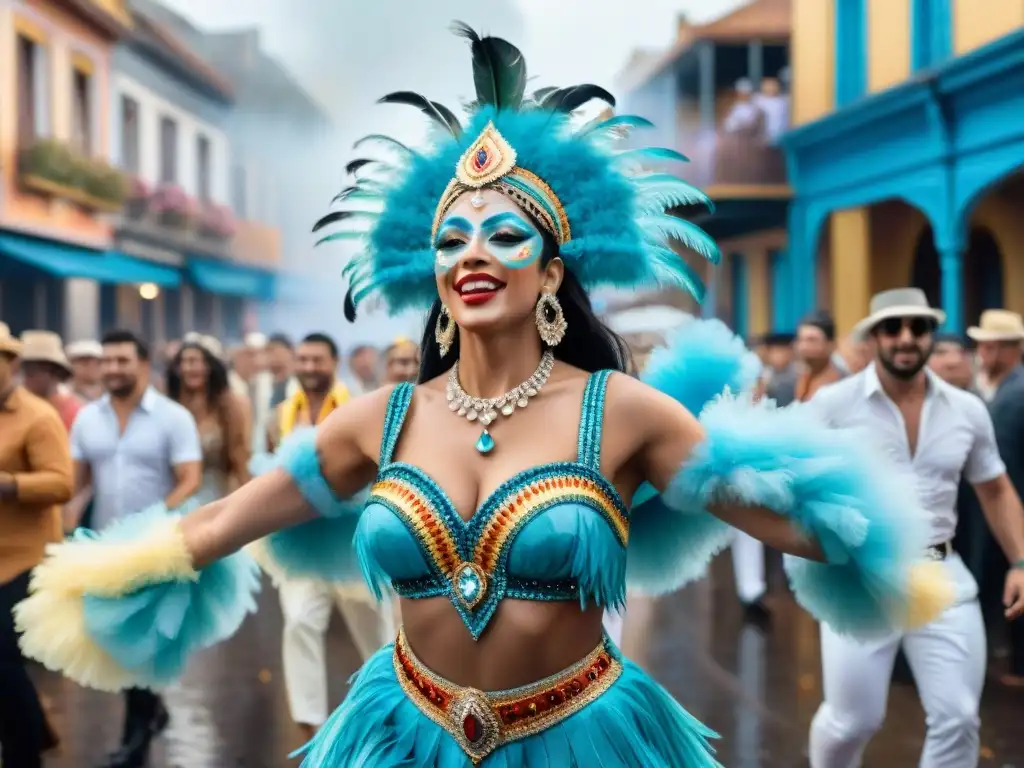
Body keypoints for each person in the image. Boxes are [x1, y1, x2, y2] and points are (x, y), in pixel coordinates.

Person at [17, 27, 966, 767]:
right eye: (451, 240)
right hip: (404, 732)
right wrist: (105, 574)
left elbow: (787, 520)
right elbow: (225, 520)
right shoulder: (380, 420)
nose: (472, 255)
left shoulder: (620, 412)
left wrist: (872, 539)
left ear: (552, 273)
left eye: (505, 236)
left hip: (579, 736)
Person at [807, 289, 1024, 768]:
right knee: (852, 721)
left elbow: (995, 489)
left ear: (930, 336)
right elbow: (794, 484)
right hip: (862, 577)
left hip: (942, 573)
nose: (906, 338)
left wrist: (1021, 561)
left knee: (959, 717)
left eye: (918, 327)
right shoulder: (832, 405)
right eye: (893, 327)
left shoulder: (967, 409)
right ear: (874, 337)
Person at [65, 330, 203, 768]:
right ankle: (151, 715)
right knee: (117, 640)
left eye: (122, 360)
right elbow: (77, 483)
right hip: (105, 546)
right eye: (107, 361)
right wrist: (66, 526)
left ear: (143, 364)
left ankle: (135, 743)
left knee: (143, 644)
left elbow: (190, 479)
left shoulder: (173, 417)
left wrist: (156, 522)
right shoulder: (87, 419)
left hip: (155, 547)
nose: (113, 369)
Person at [258, 332, 392, 743]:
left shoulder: (360, 409)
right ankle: (310, 727)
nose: (309, 367)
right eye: (303, 359)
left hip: (352, 541)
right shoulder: (279, 415)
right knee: (299, 621)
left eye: (317, 359)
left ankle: (390, 715)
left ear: (334, 362)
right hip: (299, 540)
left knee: (376, 633)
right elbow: (268, 470)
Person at [0, 323, 72, 768]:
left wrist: (9, 484)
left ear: (10, 364)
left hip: (25, 561)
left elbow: (62, 483)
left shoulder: (38, 416)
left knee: (4, 661)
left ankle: (25, 754)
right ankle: (31, 732)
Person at [966, 310, 1024, 686]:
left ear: (1011, 349)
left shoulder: (1018, 391)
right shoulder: (981, 389)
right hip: (982, 508)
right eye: (982, 345)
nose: (983, 352)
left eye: (991, 346)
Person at [167, 334, 251, 502]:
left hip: (218, 496)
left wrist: (249, 500)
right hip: (176, 497)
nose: (191, 368)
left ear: (210, 367)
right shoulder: (169, 408)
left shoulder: (229, 406)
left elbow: (239, 458)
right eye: (185, 362)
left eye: (197, 361)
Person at [19, 330, 81, 431]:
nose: (25, 377)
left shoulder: (70, 410)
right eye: (23, 369)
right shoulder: (16, 406)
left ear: (53, 371)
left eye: (31, 369)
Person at [794, 311, 844, 401]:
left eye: (811, 340)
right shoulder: (801, 379)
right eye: (801, 340)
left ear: (830, 344)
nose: (803, 347)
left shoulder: (842, 383)